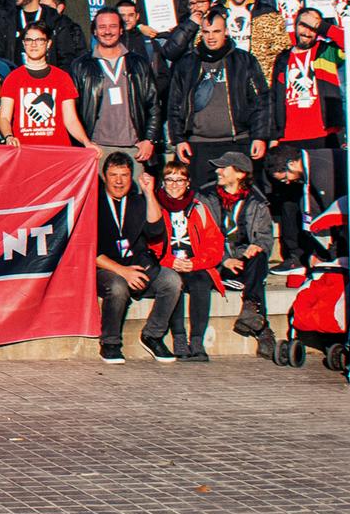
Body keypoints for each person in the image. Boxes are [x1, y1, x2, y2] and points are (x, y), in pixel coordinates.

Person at [263, 7, 343, 275]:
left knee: (329, 196)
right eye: (303, 25)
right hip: (290, 138)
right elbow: (275, 98)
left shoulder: (327, 51)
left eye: (313, 27)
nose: (307, 31)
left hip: (323, 134)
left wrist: (324, 29)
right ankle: (294, 254)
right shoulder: (283, 58)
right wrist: (275, 135)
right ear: (294, 26)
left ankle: (336, 250)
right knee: (288, 200)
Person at [93, 153, 184, 364]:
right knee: (117, 286)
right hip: (105, 267)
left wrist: (149, 193)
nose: (118, 181)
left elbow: (155, 230)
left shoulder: (138, 201)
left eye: (124, 175)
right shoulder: (94, 204)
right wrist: (123, 271)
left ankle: (153, 335)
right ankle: (110, 342)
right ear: (104, 177)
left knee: (171, 280)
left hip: (139, 265)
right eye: (113, 175)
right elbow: (89, 251)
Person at [167, 10, 268, 188]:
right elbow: (174, 104)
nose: (211, 37)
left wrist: (259, 136)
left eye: (216, 31)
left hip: (236, 143)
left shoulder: (244, 61)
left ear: (226, 32)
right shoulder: (187, 64)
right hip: (198, 146)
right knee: (201, 202)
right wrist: (179, 139)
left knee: (238, 199)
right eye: (206, 32)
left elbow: (261, 101)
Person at [148, 160, 226, 362]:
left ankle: (197, 340)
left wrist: (196, 262)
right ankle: (179, 337)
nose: (174, 185)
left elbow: (215, 243)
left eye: (180, 180)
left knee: (201, 281)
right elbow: (150, 244)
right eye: (169, 180)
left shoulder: (199, 207)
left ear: (188, 183)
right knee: (174, 283)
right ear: (162, 183)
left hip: (194, 262)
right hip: (167, 263)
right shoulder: (155, 205)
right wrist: (168, 260)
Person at [70, 9, 160, 179]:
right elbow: (73, 110)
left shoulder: (138, 63)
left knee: (135, 201)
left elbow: (153, 104)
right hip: (97, 148)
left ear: (121, 30)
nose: (108, 31)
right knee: (101, 203)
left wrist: (149, 139)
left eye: (113, 26)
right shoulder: (80, 66)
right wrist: (84, 144)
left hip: (134, 147)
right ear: (94, 31)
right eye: (102, 27)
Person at [204, 150, 276, 354]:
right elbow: (203, 236)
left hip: (244, 260)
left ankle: (251, 309)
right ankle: (262, 328)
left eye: (224, 167)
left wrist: (258, 245)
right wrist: (225, 260)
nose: (218, 171)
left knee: (258, 256)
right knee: (255, 282)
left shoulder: (257, 201)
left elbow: (265, 235)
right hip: (217, 261)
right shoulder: (207, 197)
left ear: (240, 174)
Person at [0, 24, 90, 148]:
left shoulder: (62, 78)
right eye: (29, 40)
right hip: (24, 152)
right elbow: (4, 118)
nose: (33, 44)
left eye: (39, 40)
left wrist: (86, 142)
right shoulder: (13, 78)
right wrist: (9, 137)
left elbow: (71, 120)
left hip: (57, 152)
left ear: (48, 44)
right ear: (24, 44)